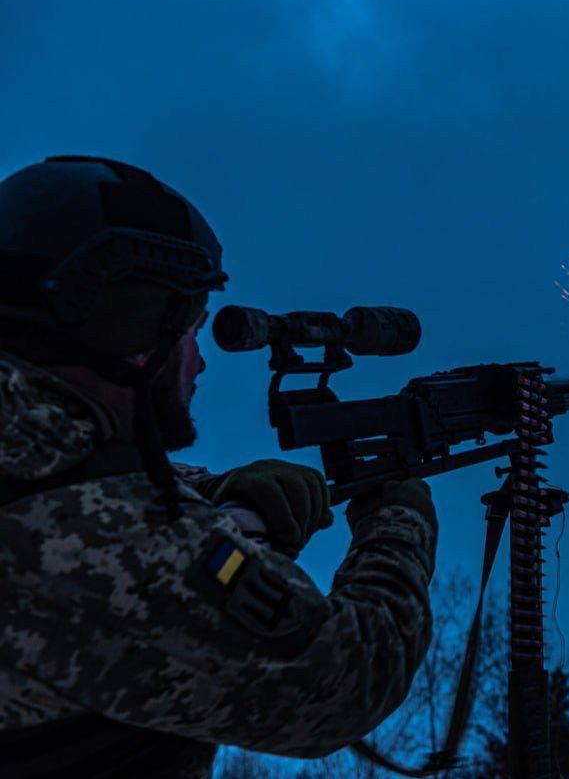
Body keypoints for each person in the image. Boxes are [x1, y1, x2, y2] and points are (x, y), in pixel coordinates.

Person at [0, 156, 438, 778]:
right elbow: (346, 678)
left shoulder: (33, 461)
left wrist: (219, 492)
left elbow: (77, 479)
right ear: (135, 333)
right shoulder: (93, 539)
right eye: (192, 332)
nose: (200, 364)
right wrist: (400, 524)